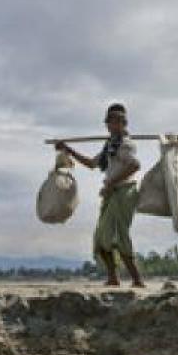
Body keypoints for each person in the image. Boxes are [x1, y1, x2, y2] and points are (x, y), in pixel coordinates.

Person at [56, 103, 146, 288]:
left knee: (120, 235)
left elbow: (134, 166)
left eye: (116, 122)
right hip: (111, 193)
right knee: (101, 238)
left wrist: (111, 184)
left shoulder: (126, 144)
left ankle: (137, 279)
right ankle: (113, 277)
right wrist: (68, 150)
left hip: (124, 192)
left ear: (123, 124)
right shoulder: (110, 146)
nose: (111, 126)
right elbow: (91, 163)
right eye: (109, 122)